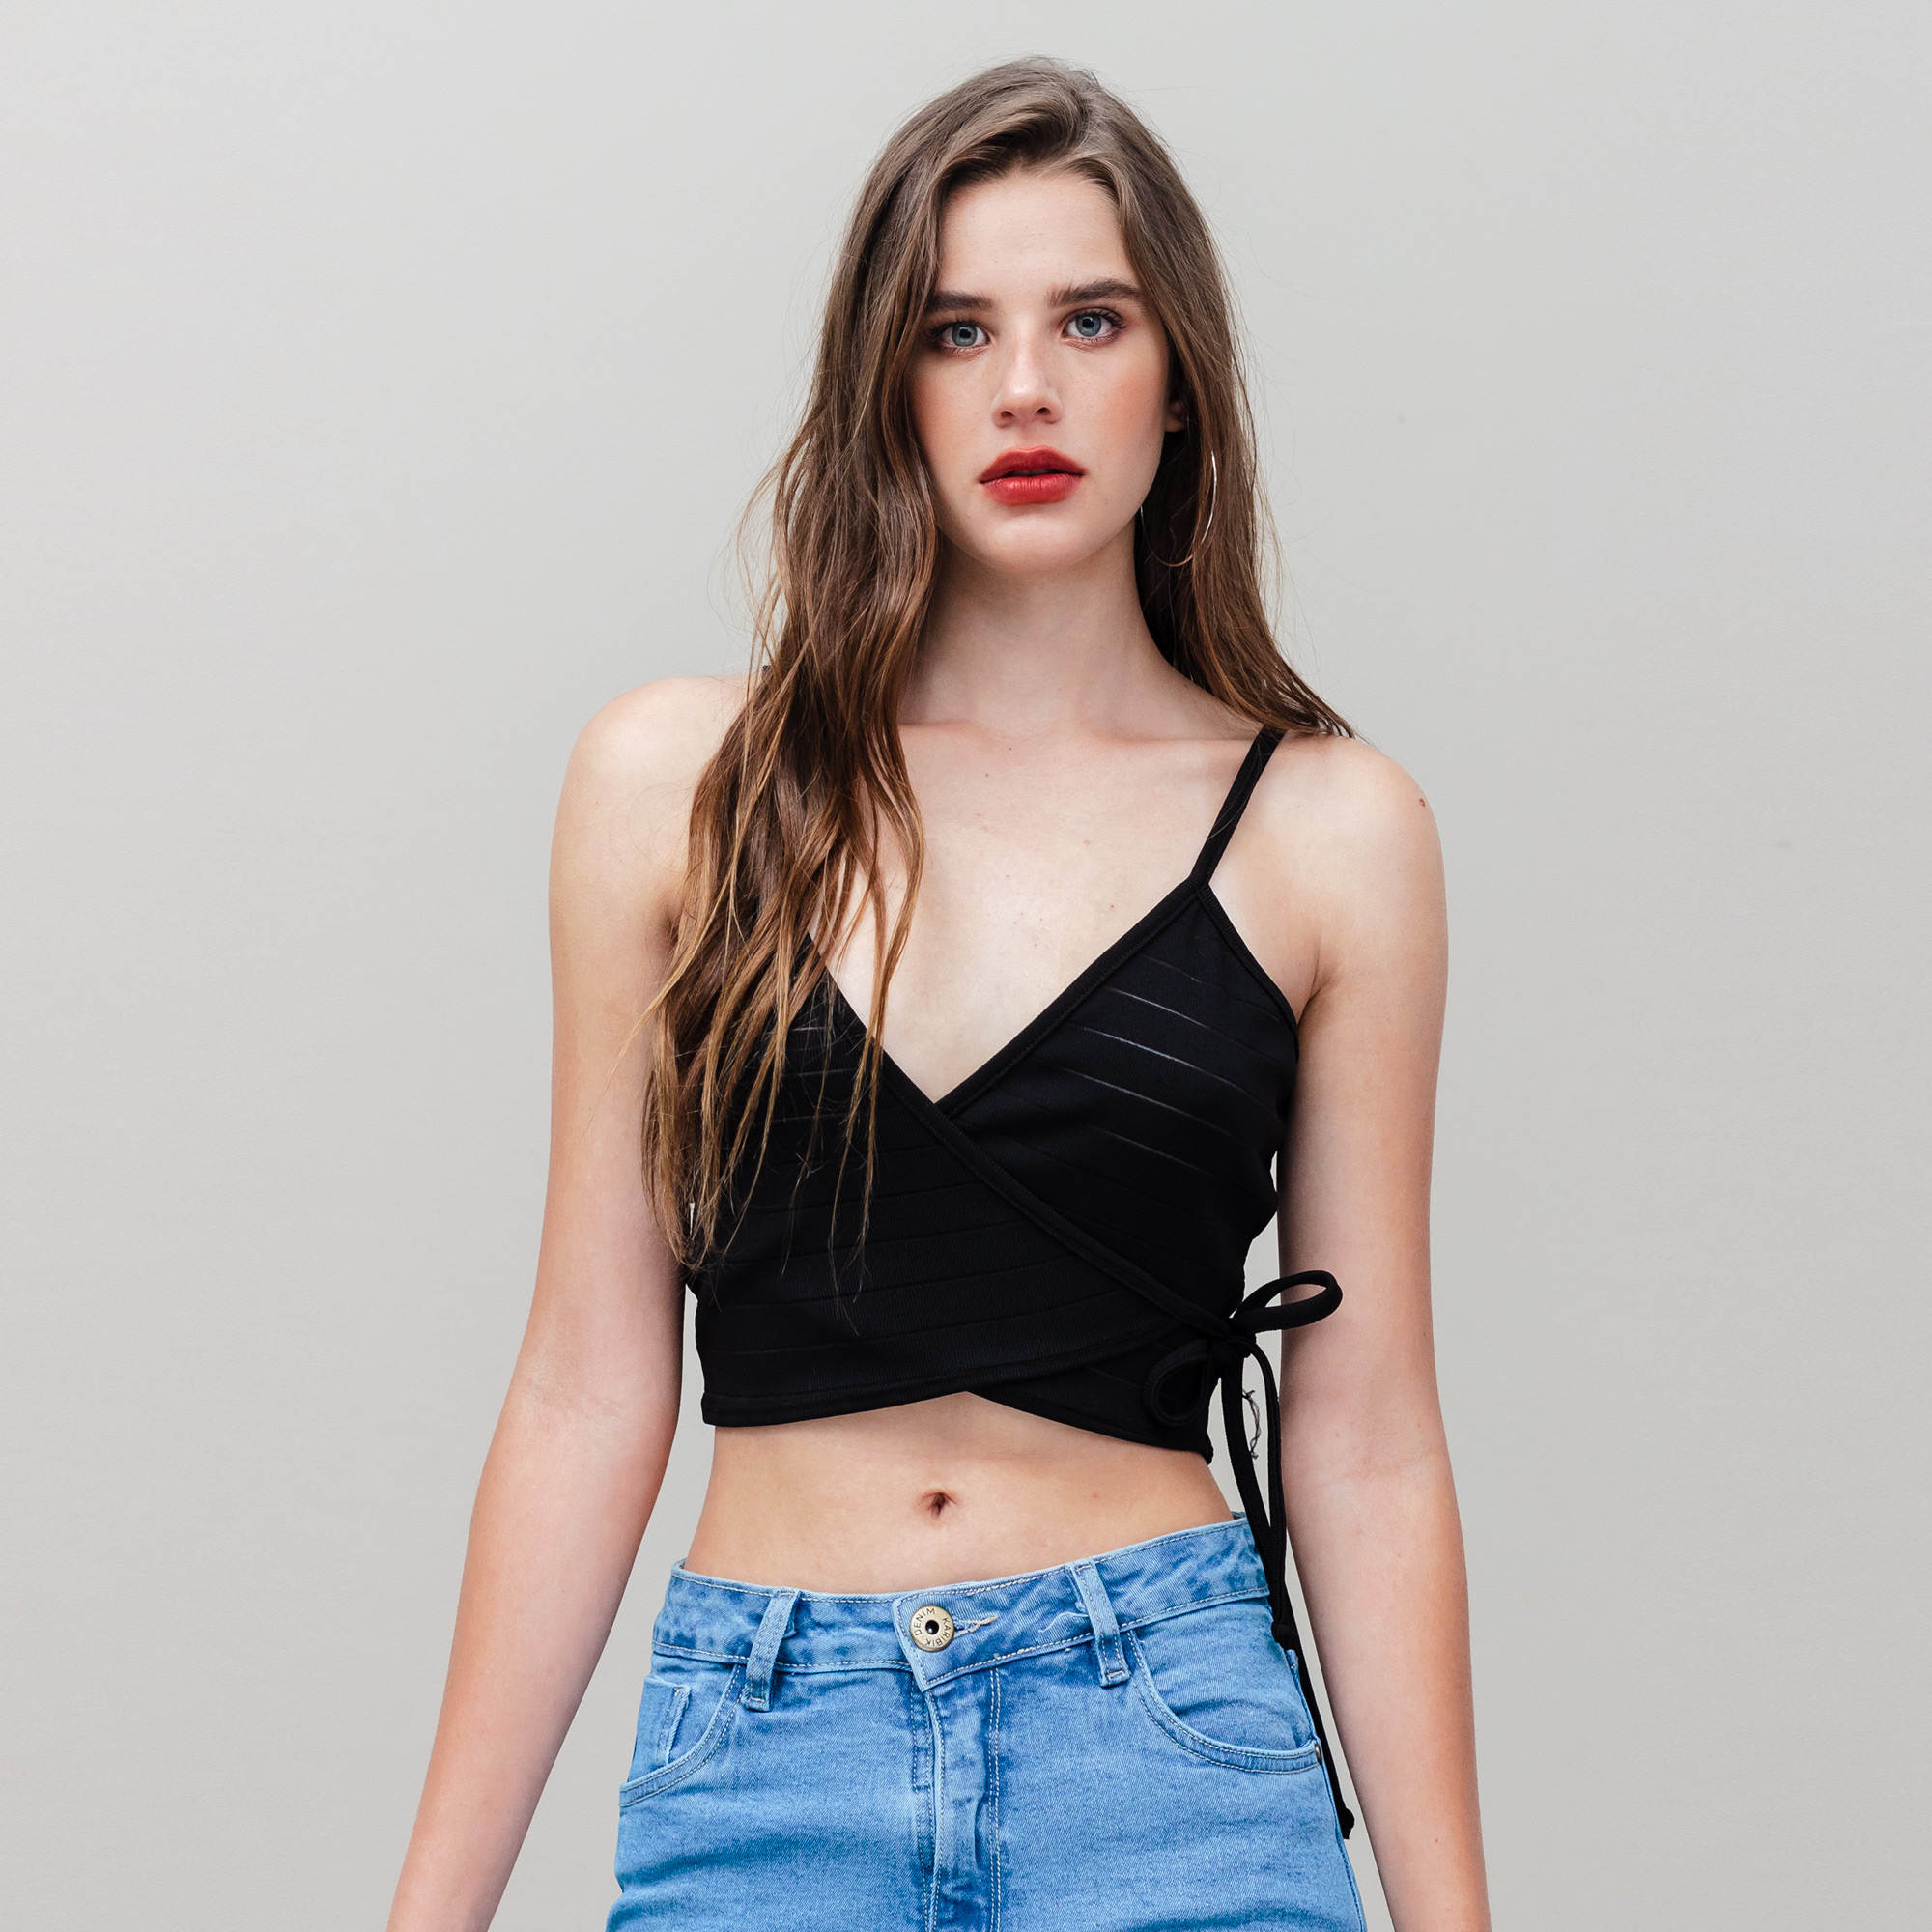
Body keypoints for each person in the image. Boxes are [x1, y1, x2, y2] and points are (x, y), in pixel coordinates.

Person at [387, 58, 1489, 1932]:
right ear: (882, 385)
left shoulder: (1333, 831)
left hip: (1169, 1746)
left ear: (1181, 380)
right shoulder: (675, 787)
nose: (1025, 387)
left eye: (1090, 321)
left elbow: (1366, 1433)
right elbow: (585, 1380)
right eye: (956, 329)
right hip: (769, 1751)